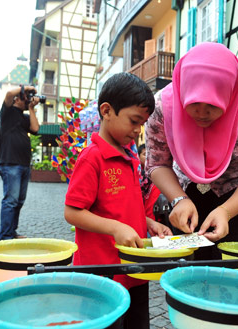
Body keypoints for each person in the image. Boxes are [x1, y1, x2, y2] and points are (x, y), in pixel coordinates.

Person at [145, 42, 238, 260]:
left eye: (213, 105)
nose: (202, 113)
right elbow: (157, 163)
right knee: (187, 267)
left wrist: (226, 211)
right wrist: (179, 199)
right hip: (183, 190)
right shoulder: (162, 106)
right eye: (194, 102)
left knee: (232, 267)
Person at [64, 73, 172, 329]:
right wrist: (115, 228)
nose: (138, 131)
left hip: (133, 268)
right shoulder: (92, 158)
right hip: (103, 272)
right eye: (134, 121)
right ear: (107, 111)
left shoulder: (130, 158)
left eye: (142, 124)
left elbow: (125, 207)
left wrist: (149, 223)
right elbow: (72, 211)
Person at [0, 85, 40, 240]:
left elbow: (35, 128)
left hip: (23, 164)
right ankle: (5, 236)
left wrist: (32, 109)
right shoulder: (7, 112)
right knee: (11, 201)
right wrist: (26, 88)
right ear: (17, 98)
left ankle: (11, 232)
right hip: (10, 164)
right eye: (24, 97)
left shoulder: (25, 117)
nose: (27, 98)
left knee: (19, 201)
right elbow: (8, 93)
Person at [138, 143, 163, 222]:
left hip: (163, 216)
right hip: (147, 219)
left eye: (151, 154)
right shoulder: (139, 176)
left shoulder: (163, 173)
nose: (148, 157)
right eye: (145, 154)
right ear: (138, 157)